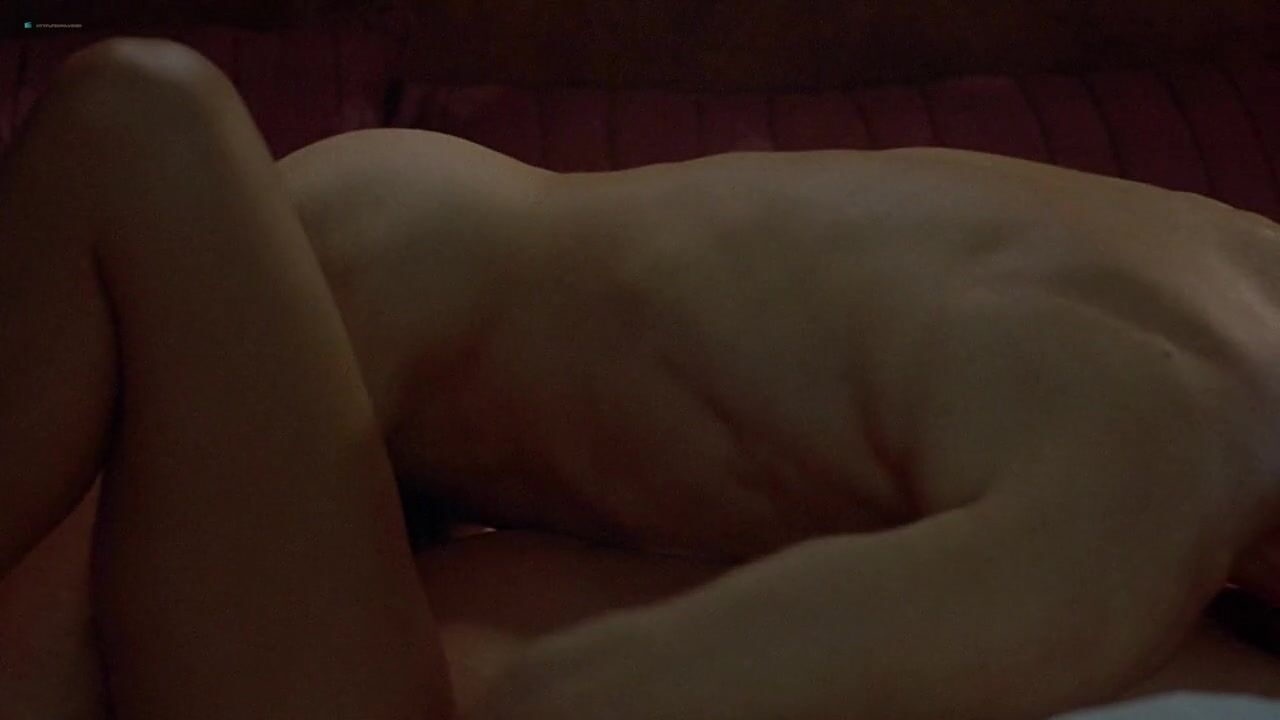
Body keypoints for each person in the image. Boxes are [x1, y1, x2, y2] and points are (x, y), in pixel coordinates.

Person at [4, 36, 1280, 720]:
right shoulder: (1136, 499)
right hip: (313, 335)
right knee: (144, 110)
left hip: (384, 280)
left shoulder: (1245, 265)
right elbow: (579, 701)